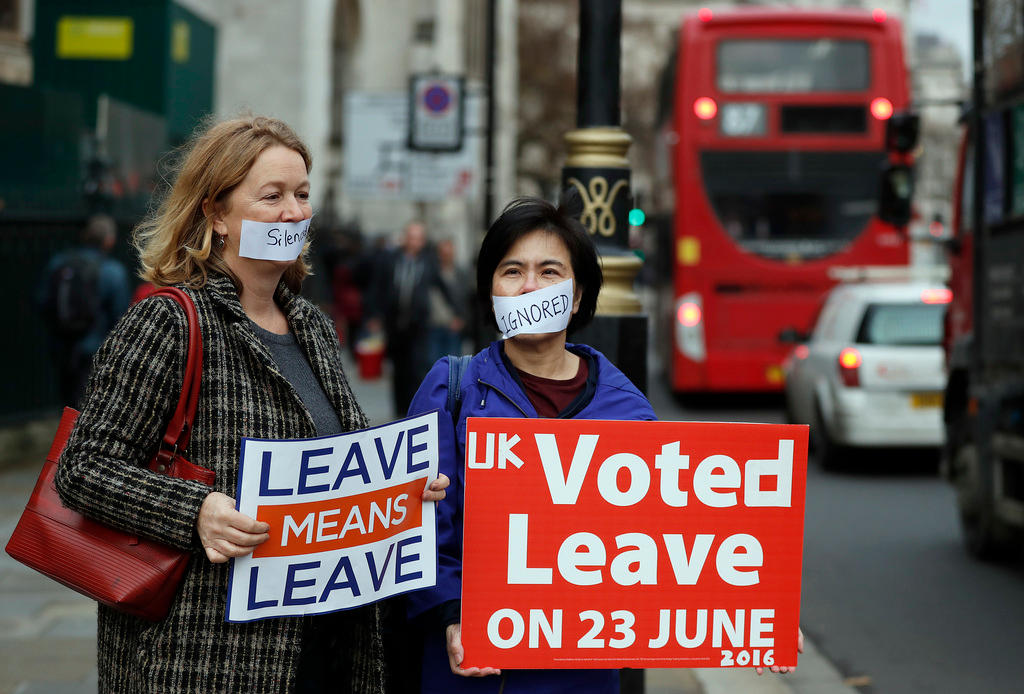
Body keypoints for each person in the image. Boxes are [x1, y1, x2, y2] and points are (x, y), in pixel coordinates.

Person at [54, 115, 448, 694]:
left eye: (303, 194)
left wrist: (399, 489)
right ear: (216, 214)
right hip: (204, 657)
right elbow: (83, 470)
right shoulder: (168, 321)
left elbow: (337, 461)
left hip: (325, 648)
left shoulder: (310, 324)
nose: (294, 211)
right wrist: (196, 511)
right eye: (272, 196)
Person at [404, 196, 658, 693]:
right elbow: (418, 526)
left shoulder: (629, 411)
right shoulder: (451, 390)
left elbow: (669, 545)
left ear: (579, 294)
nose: (529, 287)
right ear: (491, 291)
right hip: (470, 668)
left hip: (581, 674)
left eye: (549, 271)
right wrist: (452, 616)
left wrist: (748, 612)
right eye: (512, 271)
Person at [39, 214, 131, 408]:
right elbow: (121, 318)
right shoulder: (113, 271)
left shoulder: (59, 262)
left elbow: (42, 300)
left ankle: (66, 437)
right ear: (109, 241)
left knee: (67, 406)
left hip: (61, 346)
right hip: (94, 351)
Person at [365, 220, 454, 416]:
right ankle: (399, 411)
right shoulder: (390, 259)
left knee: (416, 368)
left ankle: (413, 411)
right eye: (411, 237)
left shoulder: (428, 262)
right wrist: (373, 315)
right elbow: (377, 287)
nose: (414, 242)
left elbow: (442, 287)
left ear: (422, 241)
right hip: (395, 323)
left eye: (418, 238)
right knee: (398, 370)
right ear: (405, 238)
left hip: (418, 324)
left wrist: (456, 312)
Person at [427, 237, 469, 361]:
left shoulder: (460, 273)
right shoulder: (431, 273)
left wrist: (462, 319)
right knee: (434, 366)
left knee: (453, 366)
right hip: (434, 326)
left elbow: (465, 299)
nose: (446, 256)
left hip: (454, 327)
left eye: (449, 253)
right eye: (443, 253)